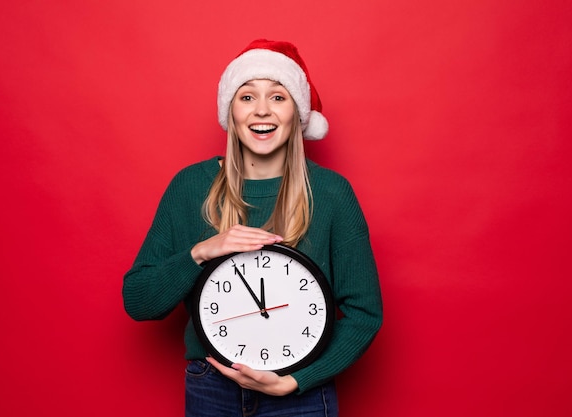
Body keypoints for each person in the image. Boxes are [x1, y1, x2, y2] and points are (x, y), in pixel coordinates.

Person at [123, 39, 382, 417]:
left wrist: (296, 381)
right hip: (211, 391)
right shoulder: (189, 187)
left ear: (298, 112)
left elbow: (365, 313)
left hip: (301, 396)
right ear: (230, 111)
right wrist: (201, 252)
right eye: (247, 97)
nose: (262, 110)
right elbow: (139, 301)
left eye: (278, 97)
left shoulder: (331, 194)